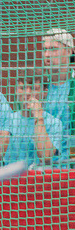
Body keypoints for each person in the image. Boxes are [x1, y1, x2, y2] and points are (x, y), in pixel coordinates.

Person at [4, 78, 67, 165]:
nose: (27, 93)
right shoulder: (7, 120)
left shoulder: (54, 123)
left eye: (34, 88)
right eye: (22, 88)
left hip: (40, 176)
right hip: (12, 177)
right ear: (16, 91)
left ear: (45, 92)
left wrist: (38, 115)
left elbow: (46, 157)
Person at [41, 28, 75, 165]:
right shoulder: (37, 86)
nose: (47, 54)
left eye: (53, 49)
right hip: (41, 166)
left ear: (69, 51)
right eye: (45, 49)